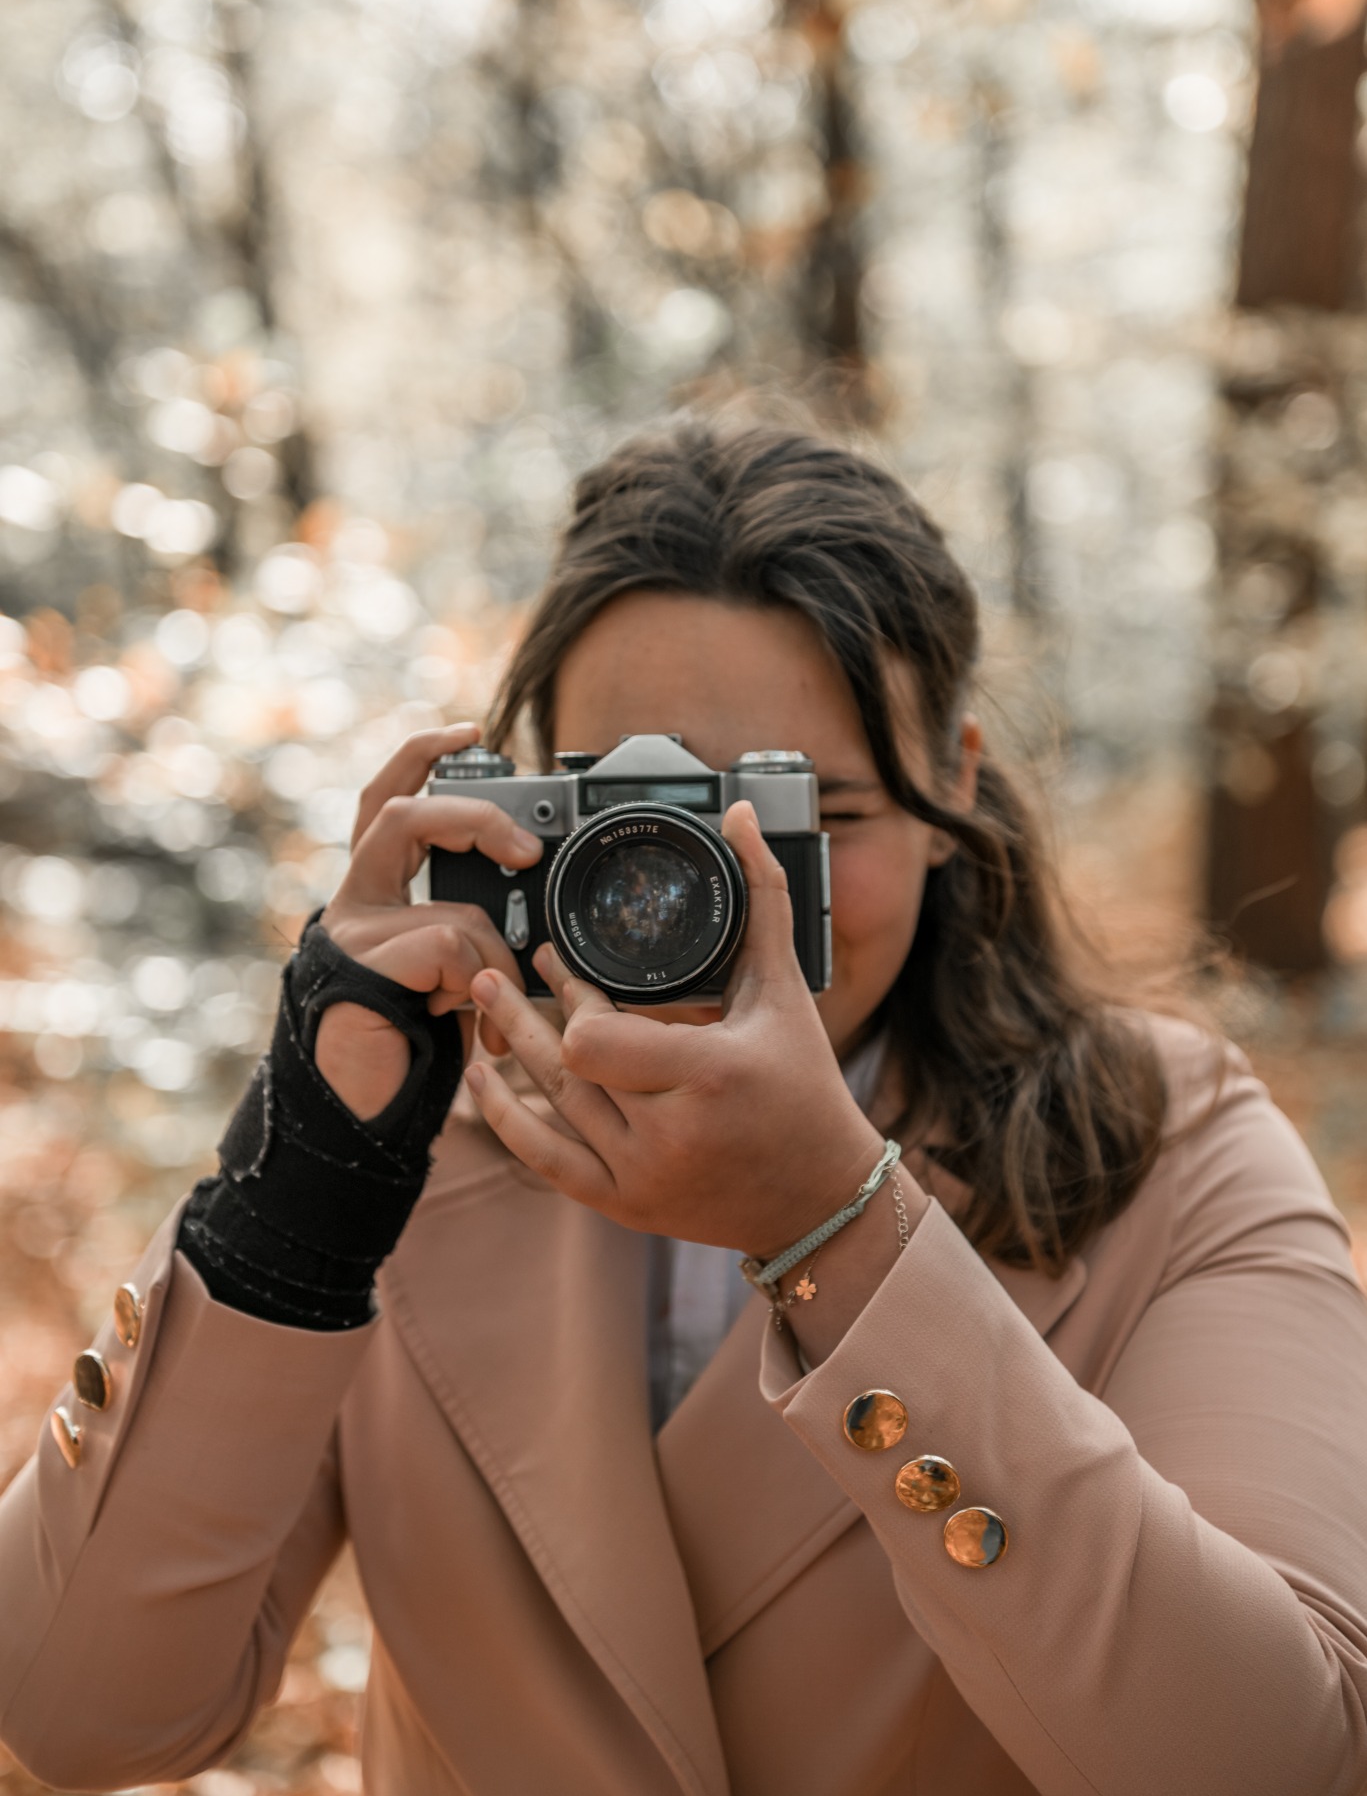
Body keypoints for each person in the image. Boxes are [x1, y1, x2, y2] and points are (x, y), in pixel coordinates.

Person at [2, 416, 1366, 1796]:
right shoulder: (410, 1145)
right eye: (629, 822)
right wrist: (293, 1194)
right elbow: (75, 1714)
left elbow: (1286, 1759)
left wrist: (843, 1229)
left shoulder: (1165, 1143)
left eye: (805, 821)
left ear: (955, 781)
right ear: (527, 794)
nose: (710, 900)